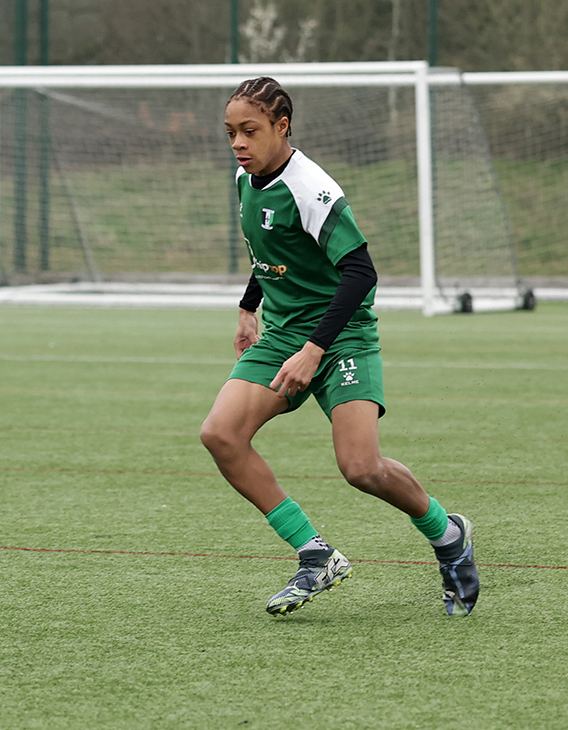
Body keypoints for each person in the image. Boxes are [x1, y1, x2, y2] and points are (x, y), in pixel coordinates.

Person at [200, 77, 479, 617]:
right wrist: (247, 307)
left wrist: (314, 349)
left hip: (344, 334)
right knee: (220, 434)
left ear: (282, 126)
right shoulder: (245, 179)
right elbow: (269, 251)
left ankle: (448, 535)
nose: (238, 143)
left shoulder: (312, 188)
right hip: (283, 334)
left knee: (361, 467)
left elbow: (360, 272)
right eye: (230, 132)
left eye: (249, 131)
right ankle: (315, 554)